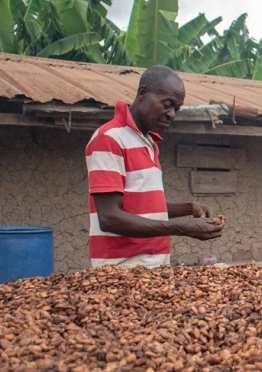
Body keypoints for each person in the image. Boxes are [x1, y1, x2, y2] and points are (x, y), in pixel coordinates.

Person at [86, 65, 223, 268]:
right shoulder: (110, 138)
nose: (172, 114)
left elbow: (143, 208)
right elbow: (109, 217)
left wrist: (187, 208)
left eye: (176, 109)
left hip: (154, 265)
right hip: (121, 268)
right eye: (167, 105)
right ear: (143, 93)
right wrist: (181, 228)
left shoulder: (149, 142)